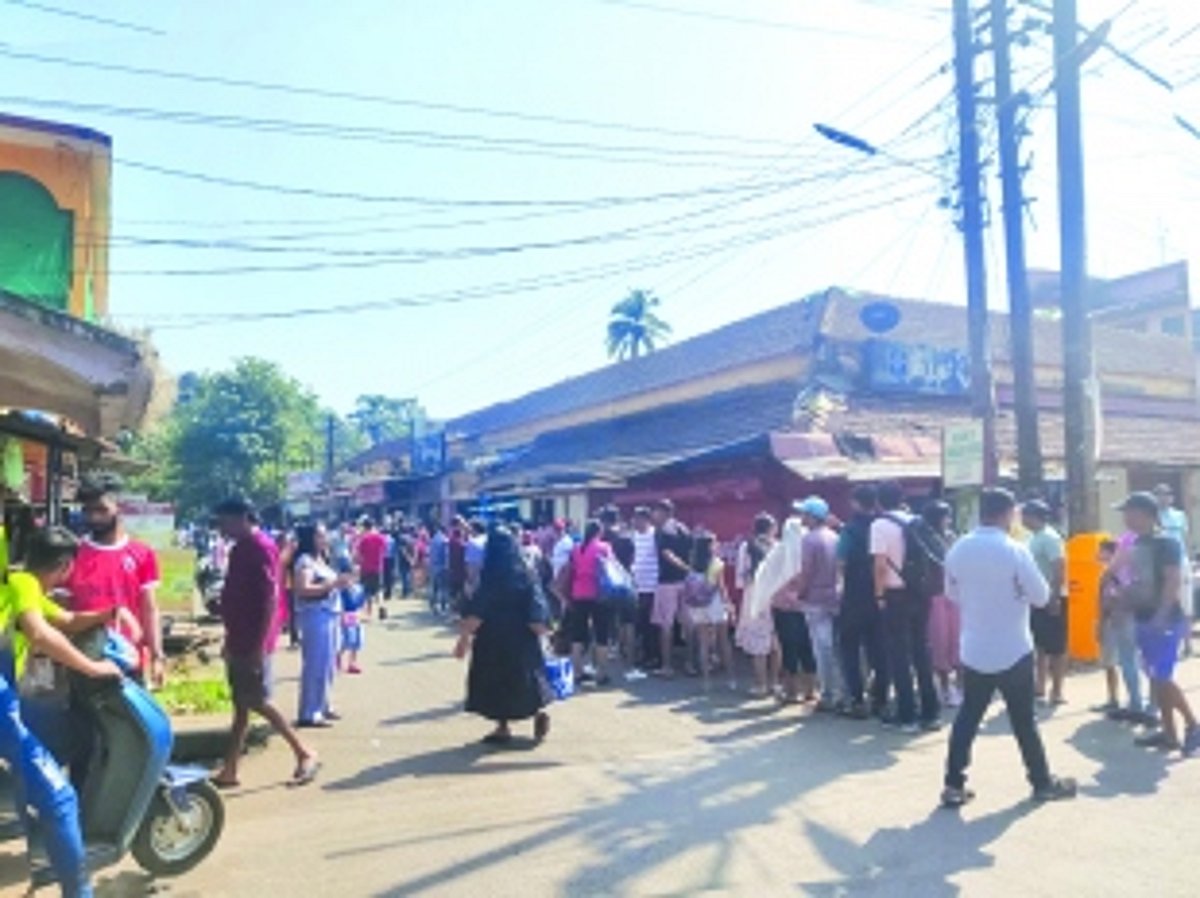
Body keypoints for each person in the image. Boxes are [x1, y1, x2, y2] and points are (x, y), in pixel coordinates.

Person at [2, 527, 128, 898]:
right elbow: (41, 634)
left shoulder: (22, 585)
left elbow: (67, 621)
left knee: (33, 775)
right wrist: (94, 668)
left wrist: (109, 613)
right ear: (64, 566)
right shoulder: (22, 582)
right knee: (60, 799)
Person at [941, 488, 1077, 807]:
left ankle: (953, 785)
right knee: (1023, 721)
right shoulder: (1014, 550)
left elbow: (952, 594)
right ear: (1008, 513)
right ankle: (1041, 782)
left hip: (974, 647)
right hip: (1013, 647)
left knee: (968, 718)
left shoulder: (958, 549)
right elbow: (1042, 597)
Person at [211, 499, 319, 789]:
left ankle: (303, 751)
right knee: (241, 706)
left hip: (253, 640)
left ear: (245, 518)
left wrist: (259, 645)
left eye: (227, 521)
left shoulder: (259, 547)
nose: (223, 528)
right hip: (240, 636)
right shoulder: (241, 549)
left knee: (255, 701)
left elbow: (270, 599)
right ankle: (230, 767)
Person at [1114, 492, 1200, 755]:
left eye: (1131, 512)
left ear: (1147, 514)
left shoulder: (1167, 543)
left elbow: (1172, 579)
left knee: (1162, 678)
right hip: (1143, 616)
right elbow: (1139, 580)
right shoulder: (1138, 542)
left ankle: (1193, 725)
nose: (1126, 517)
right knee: (1155, 677)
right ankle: (1170, 734)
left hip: (1164, 620)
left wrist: (1161, 615)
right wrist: (1123, 600)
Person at [454, 526, 552, 745]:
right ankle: (537, 713)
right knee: (525, 679)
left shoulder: (490, 578)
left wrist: (463, 640)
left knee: (495, 683)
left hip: (493, 640)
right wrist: (545, 634)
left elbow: (476, 613)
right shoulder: (527, 574)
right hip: (522, 639)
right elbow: (537, 611)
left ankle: (502, 726)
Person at [65, 475, 165, 686]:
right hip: (83, 660)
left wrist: (157, 655)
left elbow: (149, 608)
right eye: (88, 510)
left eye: (101, 510)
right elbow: (62, 609)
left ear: (119, 507)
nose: (93, 517)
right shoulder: (72, 555)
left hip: (128, 659)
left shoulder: (142, 554)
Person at [872, 482, 939, 732]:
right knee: (922, 650)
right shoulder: (916, 521)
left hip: (895, 594)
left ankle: (907, 714)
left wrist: (879, 596)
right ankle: (930, 713)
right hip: (920, 593)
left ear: (879, 501)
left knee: (899, 654)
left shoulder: (880, 525)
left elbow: (880, 565)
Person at [837, 485, 888, 719]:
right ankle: (881, 699)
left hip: (854, 596)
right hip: (881, 595)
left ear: (856, 502)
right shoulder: (883, 526)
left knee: (849, 649)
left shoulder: (849, 529)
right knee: (878, 648)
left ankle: (857, 699)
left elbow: (840, 562)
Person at [790, 498, 843, 711]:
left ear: (812, 516)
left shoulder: (809, 540)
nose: (801, 517)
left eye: (804, 513)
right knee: (835, 647)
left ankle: (829, 693)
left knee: (822, 649)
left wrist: (799, 594)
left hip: (815, 599)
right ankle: (840, 690)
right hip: (835, 597)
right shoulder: (835, 537)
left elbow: (806, 571)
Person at [292, 523, 347, 729]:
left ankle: (323, 705)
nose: (325, 540)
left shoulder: (321, 559)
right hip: (315, 616)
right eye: (320, 536)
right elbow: (303, 589)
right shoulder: (304, 561)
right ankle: (309, 712)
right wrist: (332, 584)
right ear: (311, 539)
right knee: (316, 664)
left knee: (329, 664)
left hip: (330, 614)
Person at [759, 518, 815, 705]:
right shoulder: (808, 551)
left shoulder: (778, 551)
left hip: (782, 606)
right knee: (807, 647)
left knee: (788, 647)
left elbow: (767, 576)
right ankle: (810, 690)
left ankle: (791, 691)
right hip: (805, 604)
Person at [1023, 501, 1067, 706]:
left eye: (1025, 516)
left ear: (1035, 516)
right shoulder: (1033, 538)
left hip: (1052, 598)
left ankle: (1057, 690)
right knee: (1039, 644)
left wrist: (1055, 597)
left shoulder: (1049, 537)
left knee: (1056, 647)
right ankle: (1040, 685)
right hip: (1037, 599)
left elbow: (1058, 568)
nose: (1022, 520)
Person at [735, 513, 781, 699]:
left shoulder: (746, 546)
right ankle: (775, 683)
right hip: (776, 596)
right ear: (771, 528)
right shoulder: (778, 547)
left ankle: (760, 684)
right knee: (776, 642)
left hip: (754, 597)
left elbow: (740, 579)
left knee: (757, 643)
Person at [685, 531, 736, 692]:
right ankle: (730, 678)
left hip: (697, 605)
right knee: (723, 641)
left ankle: (706, 681)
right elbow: (721, 587)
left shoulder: (693, 562)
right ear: (709, 546)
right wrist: (729, 604)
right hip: (714, 603)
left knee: (703, 643)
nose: (717, 545)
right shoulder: (717, 563)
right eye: (714, 543)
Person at [922, 502, 961, 709]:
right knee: (940, 641)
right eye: (945, 516)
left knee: (957, 640)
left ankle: (959, 685)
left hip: (953, 595)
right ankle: (945, 687)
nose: (949, 520)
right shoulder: (924, 539)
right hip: (935, 595)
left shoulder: (951, 538)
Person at [567, 521, 614, 686]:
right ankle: (602, 673)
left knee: (578, 634)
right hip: (598, 594)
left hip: (578, 592)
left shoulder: (575, 548)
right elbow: (610, 570)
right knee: (601, 633)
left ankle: (577, 672)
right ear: (599, 532)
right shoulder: (604, 547)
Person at [650, 500, 692, 678]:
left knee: (666, 625)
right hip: (685, 583)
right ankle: (690, 663)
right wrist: (689, 570)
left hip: (667, 582)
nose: (653, 515)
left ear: (664, 512)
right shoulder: (684, 529)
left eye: (655, 511)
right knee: (688, 625)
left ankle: (667, 667)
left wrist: (683, 567)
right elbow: (691, 551)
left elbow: (667, 554)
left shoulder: (662, 531)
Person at [600, 507, 640, 679]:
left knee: (605, 623)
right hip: (626, 582)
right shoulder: (627, 537)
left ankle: (603, 663)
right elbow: (632, 560)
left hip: (606, 585)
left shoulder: (602, 539)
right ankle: (629, 665)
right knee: (628, 623)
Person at [1154, 483, 1193, 657]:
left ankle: (1188, 644)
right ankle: (1171, 644)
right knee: (1166, 603)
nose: (1164, 497)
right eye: (1160, 494)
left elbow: (1185, 539)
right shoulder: (1153, 517)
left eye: (1167, 494)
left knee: (1186, 602)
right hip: (1162, 563)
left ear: (1172, 497)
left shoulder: (1180, 516)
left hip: (1181, 561)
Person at [629, 507, 661, 672]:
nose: (635, 522)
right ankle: (645, 655)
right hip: (638, 586)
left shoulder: (655, 535)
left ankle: (654, 656)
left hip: (652, 585)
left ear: (647, 520)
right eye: (634, 519)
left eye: (638, 519)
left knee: (652, 624)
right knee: (641, 623)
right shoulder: (634, 536)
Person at [355, 518, 388, 618]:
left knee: (366, 591)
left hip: (366, 568)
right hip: (378, 567)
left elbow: (359, 556)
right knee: (379, 589)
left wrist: (358, 564)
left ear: (365, 527)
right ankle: (381, 607)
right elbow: (384, 551)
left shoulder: (363, 539)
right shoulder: (381, 538)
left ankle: (369, 612)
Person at [338, 580, 366, 675]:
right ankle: (338, 658)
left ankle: (352, 663)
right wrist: (341, 616)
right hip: (347, 615)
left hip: (357, 615)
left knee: (357, 640)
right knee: (347, 640)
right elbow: (339, 604)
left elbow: (363, 602)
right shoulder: (341, 591)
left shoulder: (359, 588)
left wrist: (363, 613)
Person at [428, 523, 450, 616]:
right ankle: (443, 607)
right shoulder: (444, 540)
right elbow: (446, 555)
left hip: (433, 566)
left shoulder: (433, 540)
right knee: (443, 588)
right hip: (442, 566)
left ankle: (433, 607)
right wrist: (447, 566)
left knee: (434, 588)